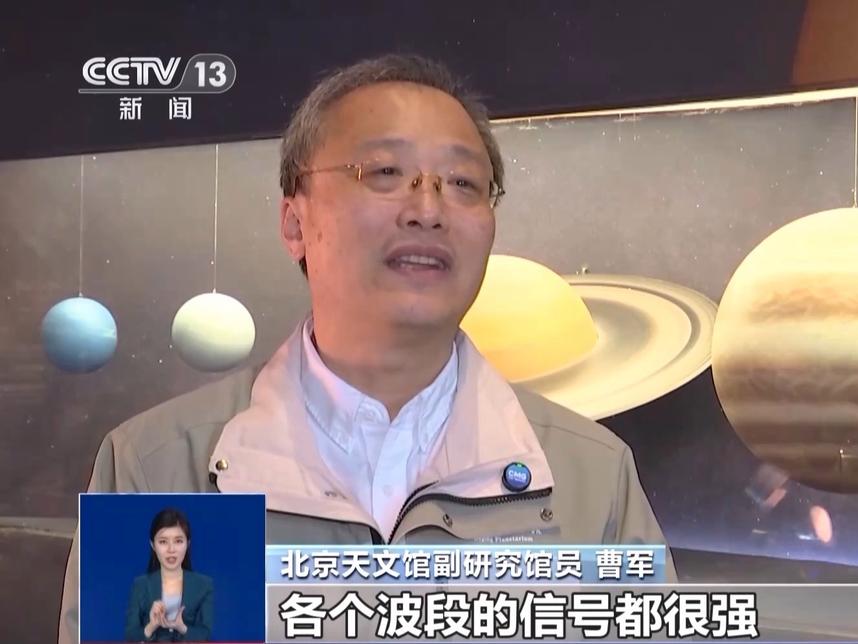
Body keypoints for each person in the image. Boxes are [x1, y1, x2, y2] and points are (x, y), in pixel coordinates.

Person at [58, 53, 674, 642]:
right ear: (295, 223)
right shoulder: (162, 469)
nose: (428, 209)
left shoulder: (590, 477)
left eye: (463, 182)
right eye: (384, 173)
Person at [125, 509, 213, 642]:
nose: (171, 549)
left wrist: (183, 628)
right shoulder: (140, 585)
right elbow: (130, 635)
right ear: (153, 545)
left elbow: (205, 633)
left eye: (178, 541)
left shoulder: (204, 585)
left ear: (188, 544)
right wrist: (150, 627)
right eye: (163, 542)